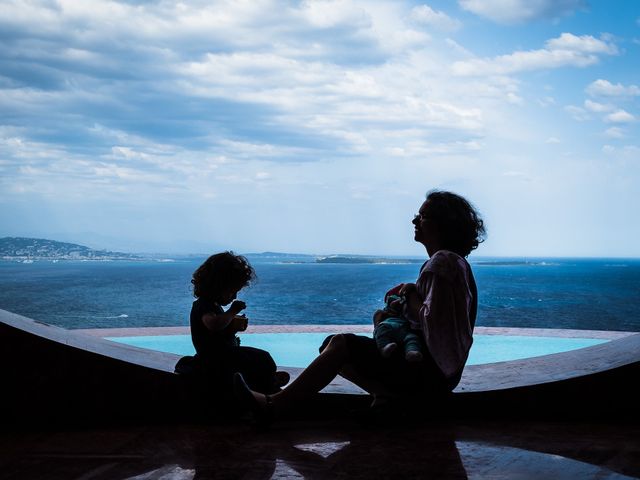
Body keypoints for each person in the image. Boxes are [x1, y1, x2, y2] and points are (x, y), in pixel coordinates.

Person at [234, 190, 485, 421]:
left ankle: (274, 406)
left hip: (429, 374)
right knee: (331, 344)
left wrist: (409, 297)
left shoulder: (442, 262)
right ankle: (389, 398)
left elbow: (435, 324)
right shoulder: (454, 263)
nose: (414, 221)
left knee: (341, 345)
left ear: (442, 224)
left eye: (422, 216)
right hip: (439, 375)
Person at [175, 252, 289, 398]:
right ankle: (266, 385)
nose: (234, 297)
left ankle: (265, 380)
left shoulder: (211, 305)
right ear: (217, 285)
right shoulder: (203, 305)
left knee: (256, 360)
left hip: (222, 356)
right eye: (232, 291)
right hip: (215, 359)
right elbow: (213, 324)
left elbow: (217, 328)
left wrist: (232, 326)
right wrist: (232, 311)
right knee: (262, 358)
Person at [373, 289, 424, 362]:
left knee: (412, 337)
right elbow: (377, 320)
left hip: (404, 331)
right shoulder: (386, 312)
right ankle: (384, 347)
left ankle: (411, 352)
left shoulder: (407, 313)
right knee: (382, 329)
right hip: (388, 326)